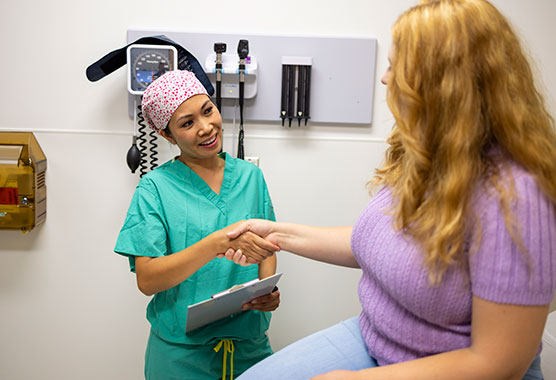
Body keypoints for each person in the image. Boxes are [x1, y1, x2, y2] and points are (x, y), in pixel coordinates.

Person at [226, 1, 556, 379]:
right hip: (376, 340)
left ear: (444, 83)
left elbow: (499, 362)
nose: (384, 79)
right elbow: (378, 244)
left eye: (395, 67)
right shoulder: (427, 152)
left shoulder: (517, 196)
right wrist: (277, 234)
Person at [114, 70, 281, 380]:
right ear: (167, 135)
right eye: (187, 123)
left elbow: (267, 246)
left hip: (250, 349)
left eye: (208, 111)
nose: (206, 128)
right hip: (181, 357)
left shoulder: (250, 177)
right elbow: (147, 280)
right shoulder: (154, 188)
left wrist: (266, 288)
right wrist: (218, 243)